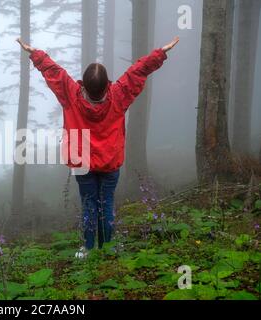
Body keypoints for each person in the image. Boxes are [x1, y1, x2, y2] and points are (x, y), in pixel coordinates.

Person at [17, 36, 179, 258]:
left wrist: (34, 53)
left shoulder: (71, 94)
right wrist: (160, 52)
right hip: (110, 161)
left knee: (89, 204)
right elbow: (137, 72)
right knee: (107, 202)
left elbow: (54, 72)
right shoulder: (118, 95)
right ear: (106, 85)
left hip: (82, 163)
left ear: (84, 82)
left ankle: (88, 248)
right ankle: (108, 247)